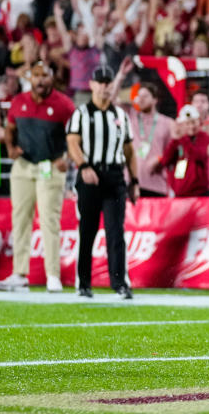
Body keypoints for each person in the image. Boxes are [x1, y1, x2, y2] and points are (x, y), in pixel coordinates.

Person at [0, 62, 75, 293]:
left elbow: (77, 134)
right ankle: (19, 274)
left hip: (49, 166)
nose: (40, 80)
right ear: (30, 78)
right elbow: (10, 128)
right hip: (23, 165)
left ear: (52, 78)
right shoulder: (18, 102)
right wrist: (10, 147)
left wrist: (68, 159)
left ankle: (53, 275)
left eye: (45, 76)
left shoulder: (64, 104)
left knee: (49, 220)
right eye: (36, 76)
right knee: (20, 219)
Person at [66, 65, 138, 299]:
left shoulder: (120, 115)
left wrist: (134, 180)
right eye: (101, 81)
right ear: (92, 85)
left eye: (109, 82)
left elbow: (129, 151)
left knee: (116, 231)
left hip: (115, 176)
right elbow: (73, 142)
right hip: (90, 175)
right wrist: (84, 166)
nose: (105, 86)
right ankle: (84, 282)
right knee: (87, 230)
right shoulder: (81, 114)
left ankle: (119, 283)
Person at [153, 105, 209, 197]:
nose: (191, 126)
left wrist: (183, 139)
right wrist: (175, 140)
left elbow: (198, 155)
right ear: (182, 125)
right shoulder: (178, 140)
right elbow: (165, 161)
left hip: (199, 193)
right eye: (187, 123)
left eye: (194, 122)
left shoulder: (204, 137)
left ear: (199, 122)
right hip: (179, 193)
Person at [128, 83, 175, 197]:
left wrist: (159, 159)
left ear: (155, 100)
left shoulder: (167, 123)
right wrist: (121, 76)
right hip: (132, 183)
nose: (141, 99)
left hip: (157, 184)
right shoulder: (131, 117)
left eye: (145, 96)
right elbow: (112, 101)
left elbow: (173, 152)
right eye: (139, 96)